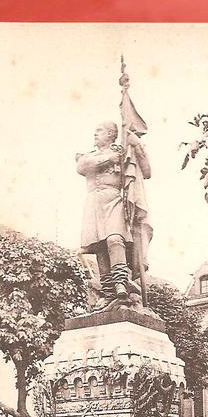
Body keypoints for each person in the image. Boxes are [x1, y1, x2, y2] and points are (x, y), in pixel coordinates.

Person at [76, 121, 151, 309]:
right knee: (99, 246)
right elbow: (82, 167)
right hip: (93, 203)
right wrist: (111, 158)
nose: (95, 134)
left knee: (114, 239)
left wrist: (136, 145)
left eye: (99, 131)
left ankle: (120, 283)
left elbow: (147, 171)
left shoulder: (124, 153)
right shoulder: (89, 156)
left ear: (111, 134)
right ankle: (108, 292)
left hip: (114, 199)